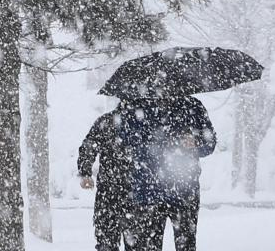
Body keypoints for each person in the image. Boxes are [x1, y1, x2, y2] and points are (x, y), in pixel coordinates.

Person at [120, 96, 215, 251]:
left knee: (186, 246)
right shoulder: (136, 106)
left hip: (184, 190)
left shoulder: (192, 106)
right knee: (148, 246)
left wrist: (195, 142)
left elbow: (210, 143)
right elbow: (124, 139)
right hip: (149, 192)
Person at [78, 103, 133, 251]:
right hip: (136, 192)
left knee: (107, 242)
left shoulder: (106, 121)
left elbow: (88, 147)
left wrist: (85, 172)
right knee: (137, 243)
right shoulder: (144, 123)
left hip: (109, 191)